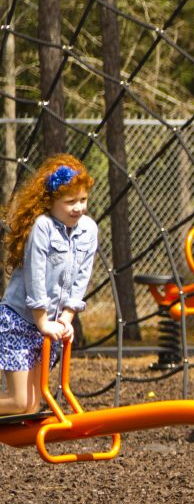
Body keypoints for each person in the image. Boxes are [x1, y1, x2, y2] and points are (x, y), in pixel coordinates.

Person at [0, 155, 97, 417]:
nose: (78, 208)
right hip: (21, 320)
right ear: (50, 202)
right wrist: (42, 321)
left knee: (32, 406)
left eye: (83, 200)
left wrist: (67, 318)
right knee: (20, 403)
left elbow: (81, 279)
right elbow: (35, 277)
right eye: (70, 202)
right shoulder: (42, 227)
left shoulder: (88, 230)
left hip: (48, 325)